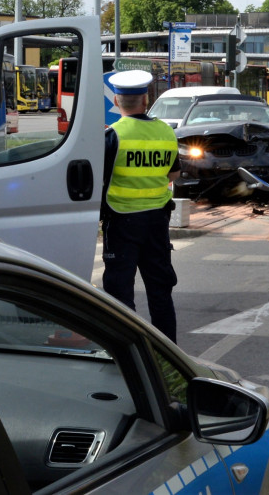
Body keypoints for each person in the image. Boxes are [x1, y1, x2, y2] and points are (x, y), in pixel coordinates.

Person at [101, 69, 181, 342]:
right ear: (146, 100)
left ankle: (131, 349)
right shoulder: (166, 132)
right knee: (160, 291)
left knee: (120, 292)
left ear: (116, 101)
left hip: (122, 222)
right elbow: (174, 174)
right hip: (157, 222)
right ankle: (169, 351)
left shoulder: (113, 135)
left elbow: (100, 179)